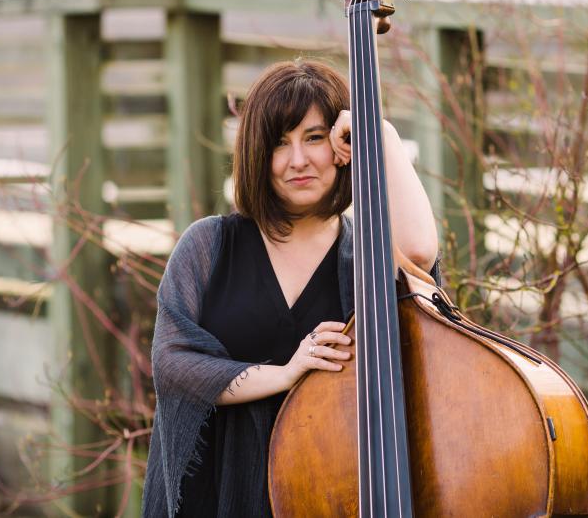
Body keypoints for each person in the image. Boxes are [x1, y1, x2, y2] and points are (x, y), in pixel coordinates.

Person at [141, 59, 439, 518]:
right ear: (258, 154)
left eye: (315, 138)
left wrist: (379, 133)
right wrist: (284, 374)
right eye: (280, 142)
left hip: (331, 498)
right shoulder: (209, 244)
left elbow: (420, 255)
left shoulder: (370, 255)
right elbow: (174, 361)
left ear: (342, 146)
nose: (298, 160)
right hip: (221, 497)